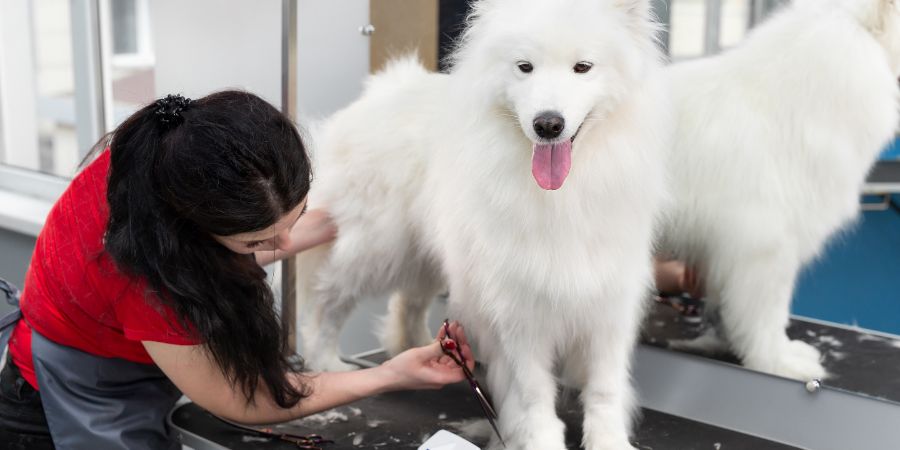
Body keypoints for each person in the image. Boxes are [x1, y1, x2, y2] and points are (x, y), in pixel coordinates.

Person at [0, 92, 474, 449]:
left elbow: (233, 248)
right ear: (194, 228)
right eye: (257, 243)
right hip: (65, 398)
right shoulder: (147, 280)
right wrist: (388, 375)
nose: (283, 247)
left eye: (298, 213)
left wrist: (339, 223)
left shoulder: (173, 154)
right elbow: (244, 399)